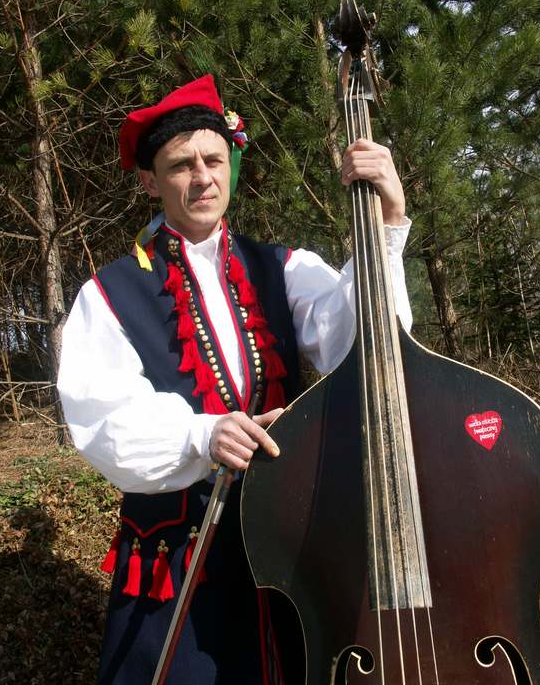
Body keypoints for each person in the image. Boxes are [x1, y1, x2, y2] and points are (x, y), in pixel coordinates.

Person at [57, 74, 412, 684]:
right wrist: (203, 435)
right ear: (150, 181)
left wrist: (386, 225)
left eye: (214, 160)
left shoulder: (283, 266)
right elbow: (102, 416)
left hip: (288, 537)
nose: (202, 177)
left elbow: (361, 342)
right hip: (182, 553)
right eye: (181, 165)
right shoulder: (109, 294)